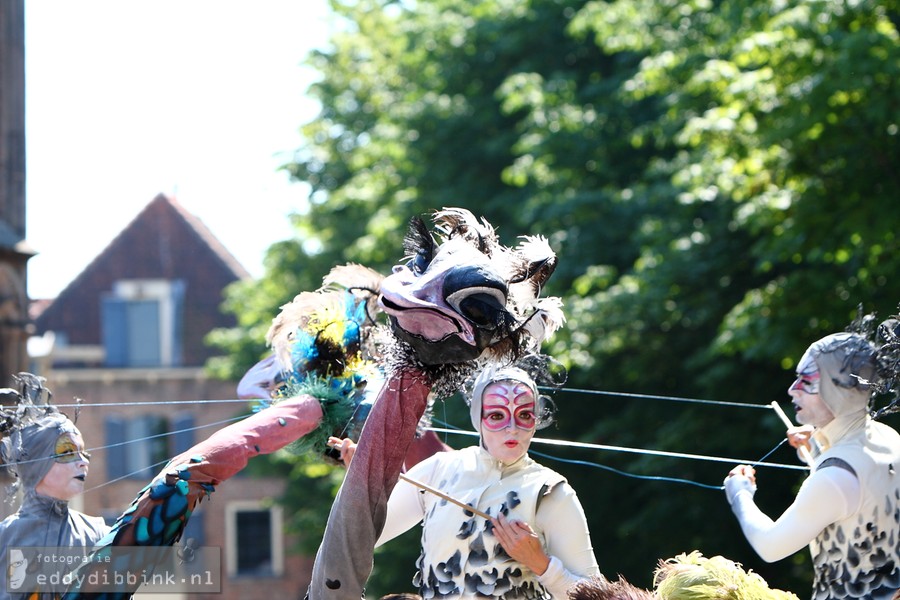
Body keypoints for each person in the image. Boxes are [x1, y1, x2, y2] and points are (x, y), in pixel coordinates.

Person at [0, 372, 335, 599]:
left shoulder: (95, 529)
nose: (82, 461)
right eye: (65, 452)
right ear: (35, 463)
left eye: (83, 451)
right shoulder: (8, 536)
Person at [370, 364, 601, 599]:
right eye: (497, 415)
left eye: (524, 415)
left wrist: (542, 564)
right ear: (477, 418)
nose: (512, 429)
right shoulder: (438, 470)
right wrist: (362, 478)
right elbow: (359, 536)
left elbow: (596, 596)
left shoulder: (551, 491)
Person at [724, 325, 900, 599]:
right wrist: (819, 445)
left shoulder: (834, 479)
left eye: (806, 382)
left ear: (837, 391)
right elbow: (859, 503)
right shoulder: (888, 437)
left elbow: (770, 546)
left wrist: (740, 494)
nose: (793, 390)